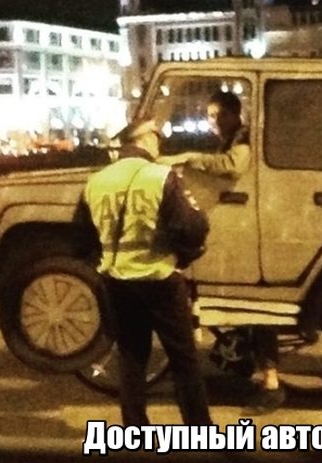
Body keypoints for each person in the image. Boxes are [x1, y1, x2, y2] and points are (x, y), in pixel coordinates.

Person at [75, 118, 213, 426]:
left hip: (116, 280)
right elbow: (190, 227)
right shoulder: (160, 176)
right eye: (156, 135)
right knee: (183, 358)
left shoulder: (96, 181)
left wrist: (105, 261)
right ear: (143, 139)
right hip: (160, 277)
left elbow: (81, 238)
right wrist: (185, 255)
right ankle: (199, 427)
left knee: (132, 355)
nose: (159, 140)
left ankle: (135, 427)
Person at [163, 90, 286, 414]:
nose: (215, 121)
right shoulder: (230, 139)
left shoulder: (242, 139)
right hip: (244, 226)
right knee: (243, 303)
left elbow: (233, 166)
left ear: (235, 115)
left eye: (220, 115)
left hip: (254, 226)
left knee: (257, 305)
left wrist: (190, 158)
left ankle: (271, 382)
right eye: (211, 116)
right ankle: (244, 364)